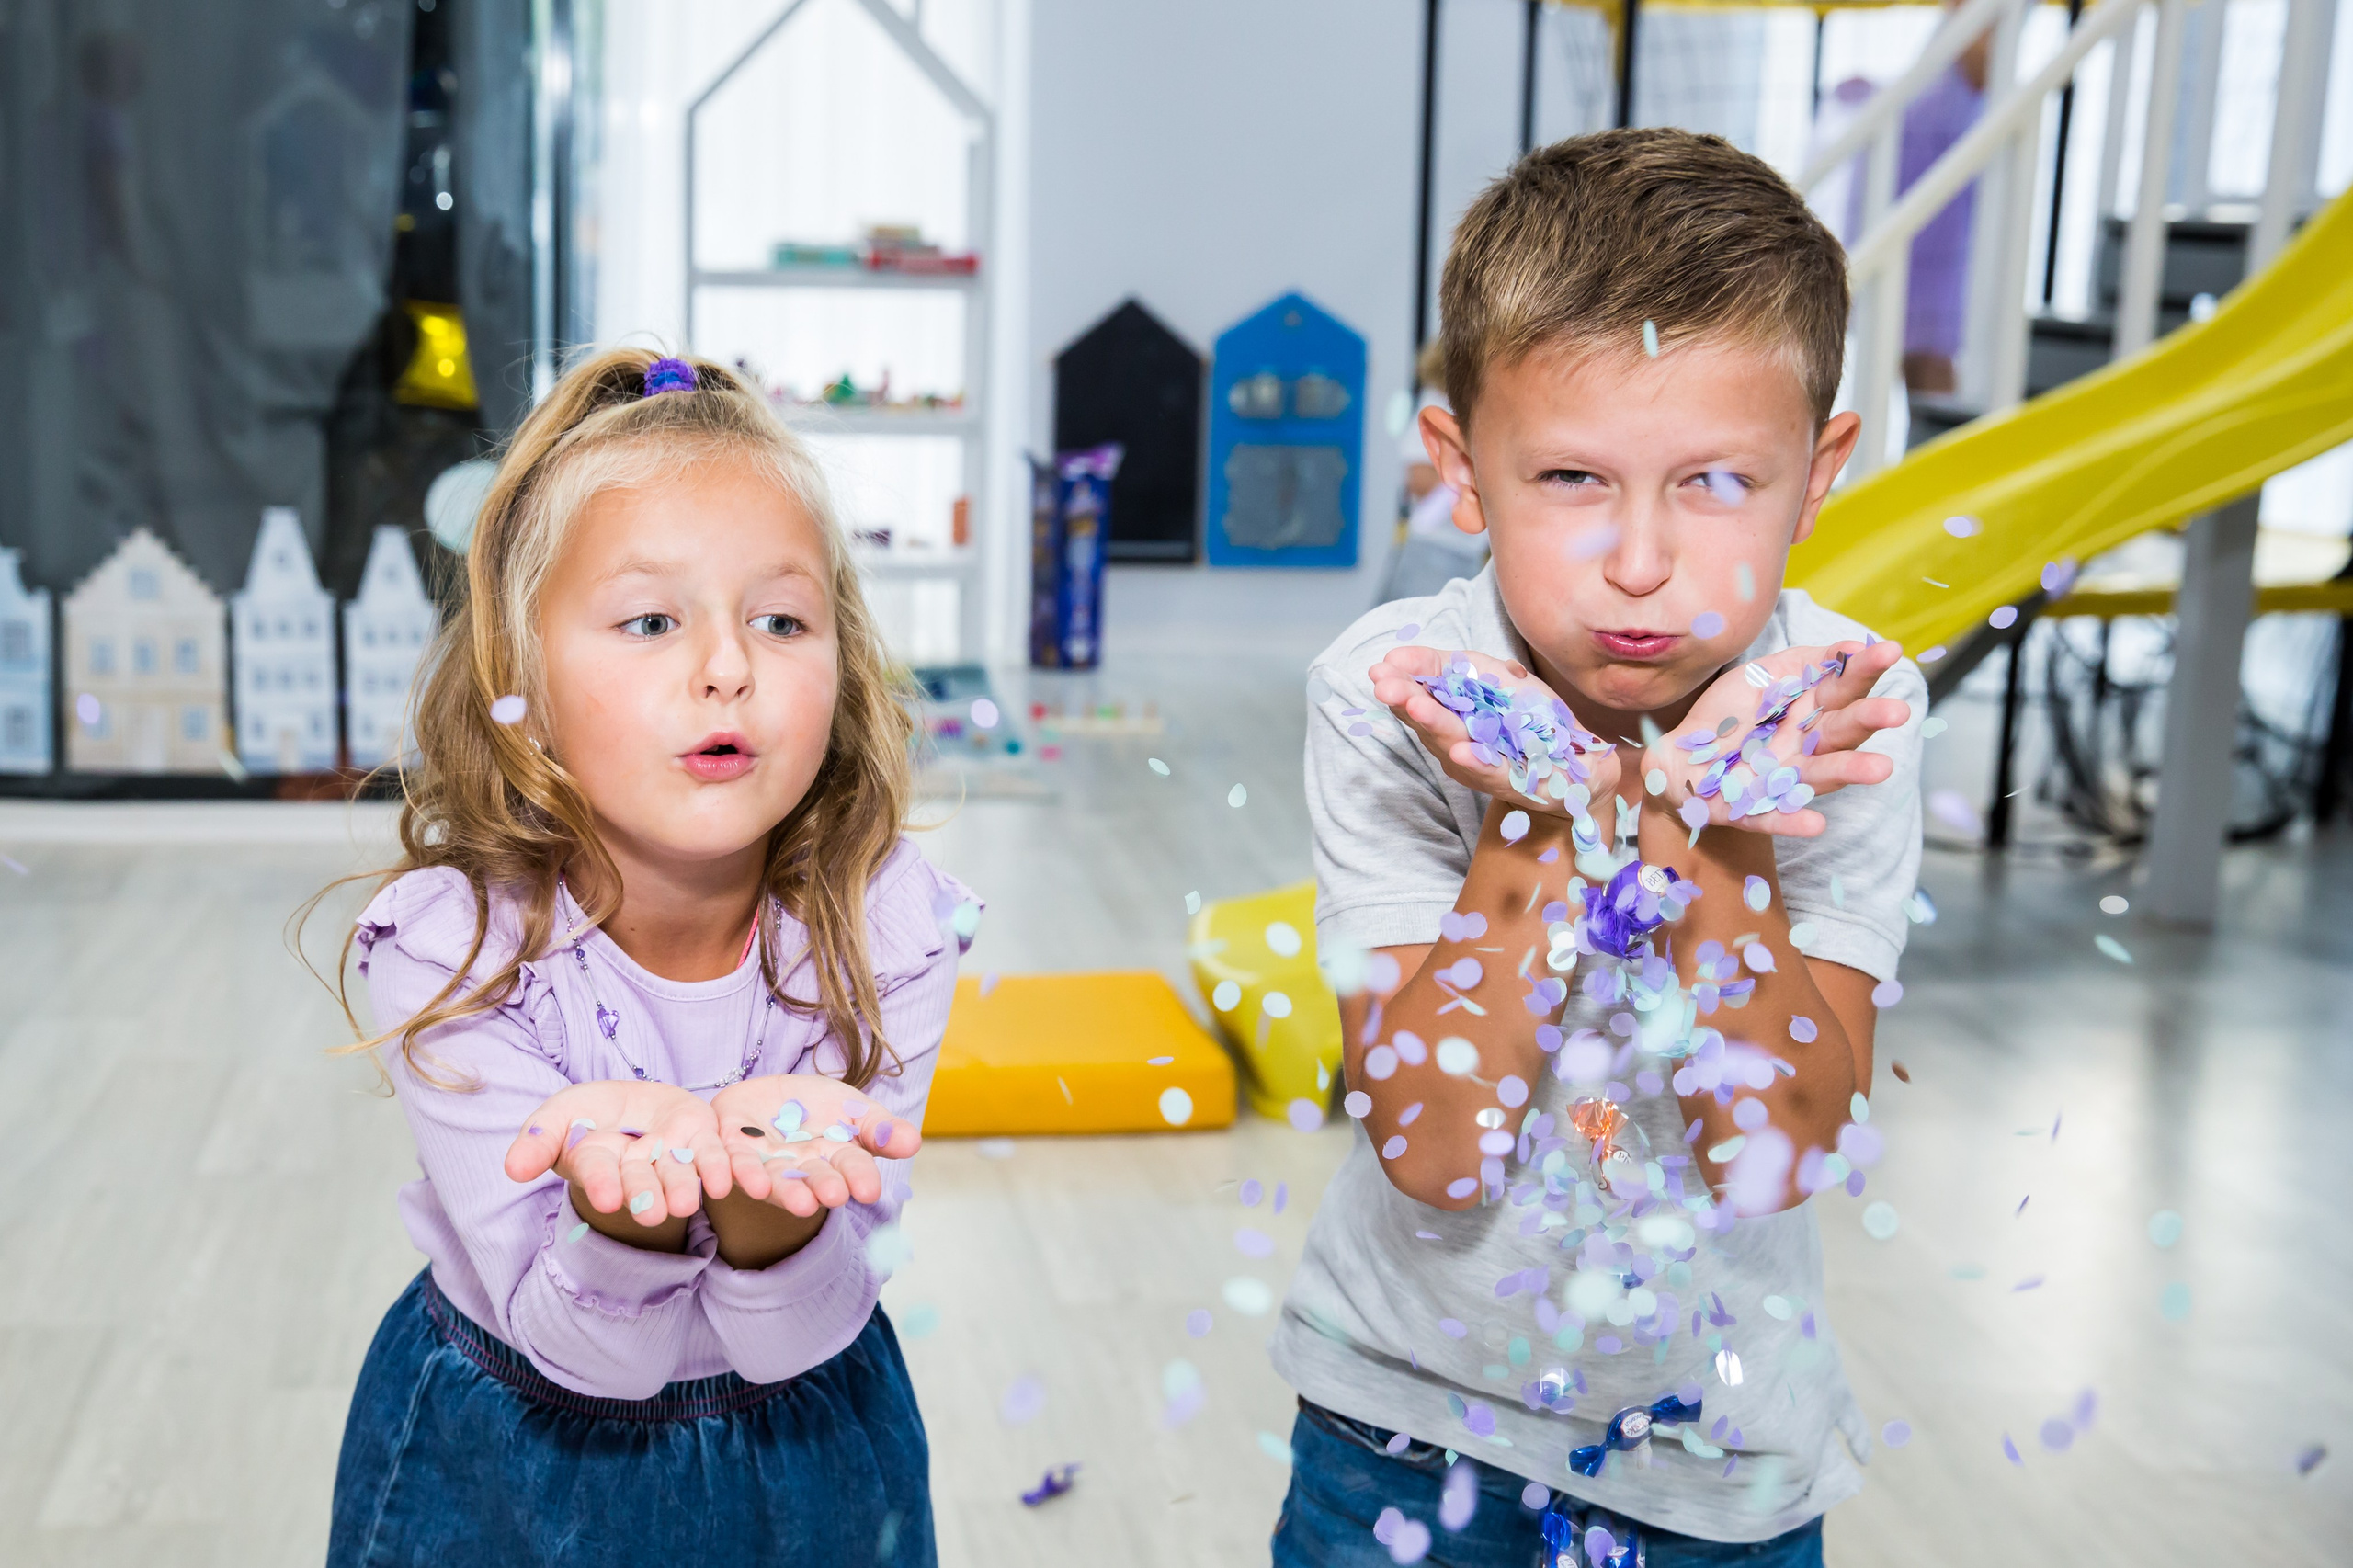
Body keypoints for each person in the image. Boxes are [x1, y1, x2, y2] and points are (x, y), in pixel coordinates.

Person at [1270, 130, 1926, 1566]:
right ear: (1462, 467)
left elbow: (1780, 1153)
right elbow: (1438, 1151)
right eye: (1572, 477)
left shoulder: (1848, 709)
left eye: (1715, 482)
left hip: (1715, 1473)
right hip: (1400, 1428)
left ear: (1816, 477)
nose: (1642, 560)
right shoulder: (1390, 688)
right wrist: (1537, 811)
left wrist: (1704, 826)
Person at [312, 348, 972, 1567]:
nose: (728, 665)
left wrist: (763, 1217)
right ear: (524, 680)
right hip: (506, 1456)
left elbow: (800, 1332)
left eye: (781, 618)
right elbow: (588, 1350)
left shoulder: (888, 924)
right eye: (652, 619)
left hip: (810, 1457)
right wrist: (629, 1225)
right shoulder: (451, 946)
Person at [1377, 341, 1488, 605]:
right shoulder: (1436, 405)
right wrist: (1478, 482)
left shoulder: (1468, 407)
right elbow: (1419, 479)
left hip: (1464, 549)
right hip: (1436, 548)